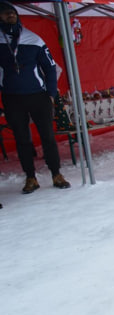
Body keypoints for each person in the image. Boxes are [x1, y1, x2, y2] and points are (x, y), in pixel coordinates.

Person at [0, 1, 70, 194]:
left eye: (12, 13)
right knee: (22, 139)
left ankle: (56, 174)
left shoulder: (34, 39)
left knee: (48, 136)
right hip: (12, 98)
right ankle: (30, 177)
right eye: (5, 14)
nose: (10, 16)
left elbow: (50, 67)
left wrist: (51, 94)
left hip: (38, 96)